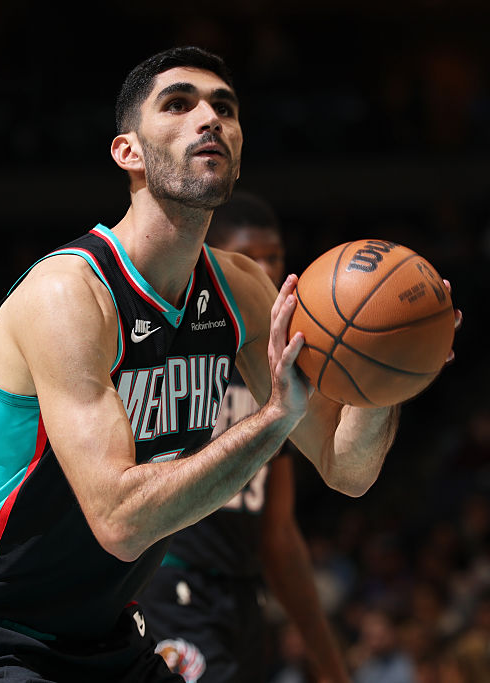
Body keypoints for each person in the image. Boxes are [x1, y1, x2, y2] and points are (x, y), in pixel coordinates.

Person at [0, 45, 449, 682]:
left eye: (224, 109)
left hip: (104, 635)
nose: (208, 118)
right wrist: (274, 419)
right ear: (128, 152)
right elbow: (121, 522)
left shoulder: (241, 290)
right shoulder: (68, 295)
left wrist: (390, 367)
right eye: (179, 104)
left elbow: (347, 469)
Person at [140, 191, 350, 683]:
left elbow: (278, 537)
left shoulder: (278, 374)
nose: (264, 271)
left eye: (273, 257)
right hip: (169, 585)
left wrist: (330, 661)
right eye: (247, 259)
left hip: (242, 596)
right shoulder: (177, 353)